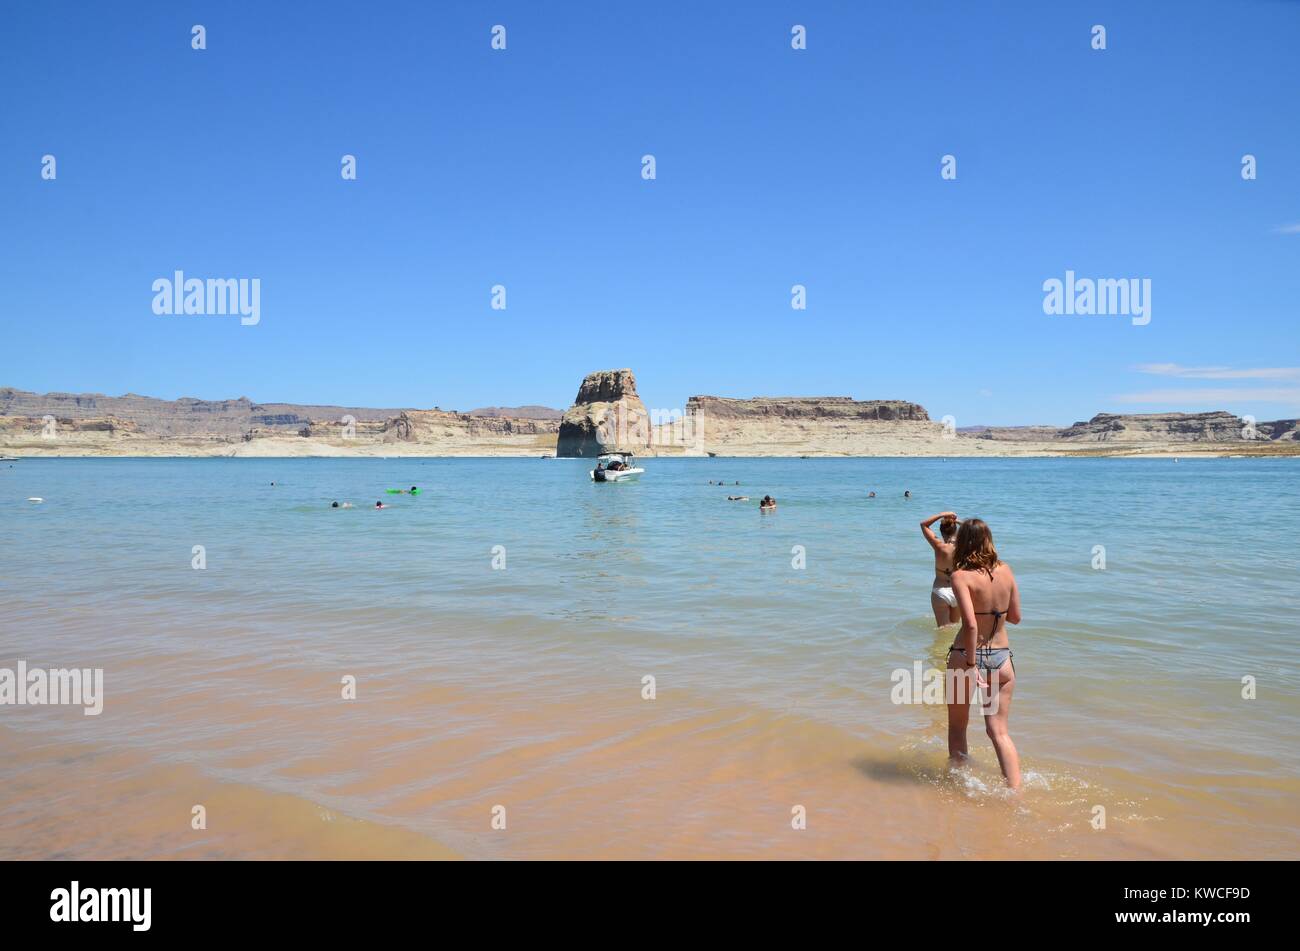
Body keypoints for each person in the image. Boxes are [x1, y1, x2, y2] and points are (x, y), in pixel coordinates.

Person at [945, 518, 1022, 789]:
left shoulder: (960, 576)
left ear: (962, 542)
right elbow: (1015, 617)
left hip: (967, 658)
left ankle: (959, 788)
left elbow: (970, 624)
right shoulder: (1007, 571)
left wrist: (970, 663)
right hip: (1002, 659)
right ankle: (1015, 794)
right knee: (998, 732)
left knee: (957, 727)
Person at [921, 512, 961, 626]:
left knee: (943, 630)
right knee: (954, 628)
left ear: (941, 532)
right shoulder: (962, 546)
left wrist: (942, 514)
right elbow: (976, 530)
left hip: (940, 591)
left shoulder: (938, 546)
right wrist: (956, 521)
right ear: (956, 531)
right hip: (958, 591)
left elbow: (923, 524)